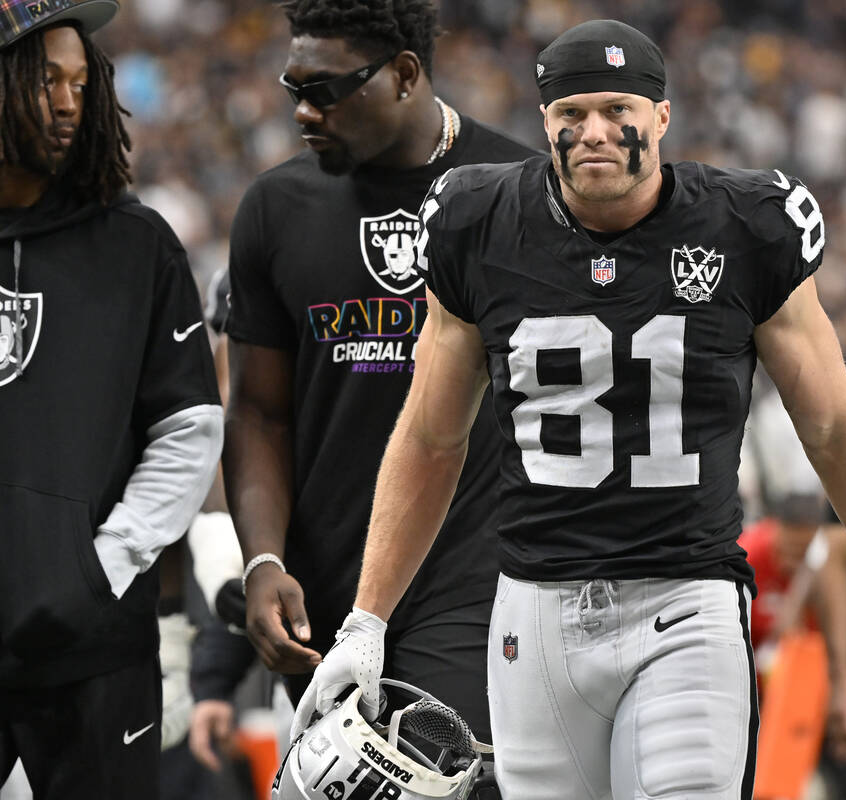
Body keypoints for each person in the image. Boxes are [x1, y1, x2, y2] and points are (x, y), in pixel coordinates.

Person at [297, 19, 846, 800]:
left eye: (618, 109)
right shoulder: (477, 223)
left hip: (684, 600)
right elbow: (432, 438)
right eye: (570, 113)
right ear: (545, 122)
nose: (594, 131)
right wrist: (366, 620)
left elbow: (836, 427)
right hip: (535, 612)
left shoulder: (744, 225)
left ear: (662, 116)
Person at [222, 0, 537, 745]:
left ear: (403, 75)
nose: (304, 111)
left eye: (326, 89)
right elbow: (259, 413)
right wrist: (263, 557)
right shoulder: (274, 208)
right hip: (319, 593)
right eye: (293, 87)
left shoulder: (518, 193)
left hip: (470, 582)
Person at [0, 2, 223, 798]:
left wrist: (99, 572)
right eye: (43, 80)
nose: (68, 102)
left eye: (80, 80)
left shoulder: (137, 244)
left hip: (90, 647)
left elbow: (189, 429)